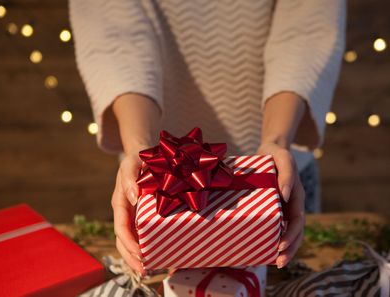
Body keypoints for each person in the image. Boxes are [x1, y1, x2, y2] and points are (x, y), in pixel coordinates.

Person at [70, 0, 345, 276]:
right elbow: (114, 32)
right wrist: (140, 148)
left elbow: (306, 26)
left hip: (276, 176)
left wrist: (276, 139)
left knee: (285, 279)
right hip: (159, 183)